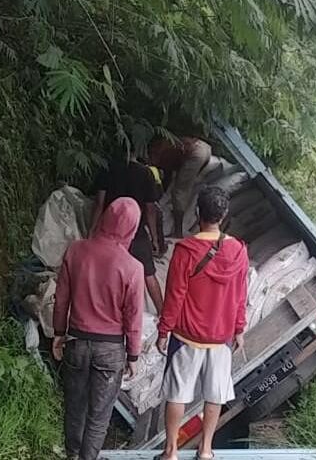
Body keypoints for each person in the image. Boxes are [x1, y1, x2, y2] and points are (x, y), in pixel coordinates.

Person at [154, 186, 249, 460]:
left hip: (186, 336)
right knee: (214, 395)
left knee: (177, 393)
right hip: (220, 339)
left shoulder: (186, 250)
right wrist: (239, 328)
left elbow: (175, 295)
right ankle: (206, 450)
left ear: (197, 213)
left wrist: (164, 331)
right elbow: (240, 295)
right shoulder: (239, 251)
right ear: (224, 214)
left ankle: (171, 451)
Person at [52, 197, 145, 460]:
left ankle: (71, 455)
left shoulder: (76, 251)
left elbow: (61, 299)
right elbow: (134, 316)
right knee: (99, 415)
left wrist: (59, 334)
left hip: (77, 343)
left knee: (74, 406)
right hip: (110, 349)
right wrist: (133, 355)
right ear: (133, 228)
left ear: (104, 217)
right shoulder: (133, 268)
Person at [90, 157, 165, 313]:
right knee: (149, 274)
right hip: (136, 232)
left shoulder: (108, 167)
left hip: (109, 231)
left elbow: (99, 202)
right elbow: (151, 209)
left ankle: (100, 310)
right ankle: (162, 314)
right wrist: (154, 238)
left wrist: (92, 230)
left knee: (103, 271)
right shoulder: (145, 173)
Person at [148, 136, 212, 238]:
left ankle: (178, 232)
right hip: (204, 148)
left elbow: (167, 176)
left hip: (196, 153)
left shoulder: (160, 153)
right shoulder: (165, 147)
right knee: (184, 188)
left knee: (179, 191)